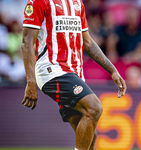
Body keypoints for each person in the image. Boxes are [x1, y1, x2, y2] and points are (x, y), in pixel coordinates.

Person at [21, 0, 127, 150]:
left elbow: (88, 42)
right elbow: (27, 41)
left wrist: (112, 70)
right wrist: (30, 81)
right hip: (52, 69)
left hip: (74, 73)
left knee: (90, 137)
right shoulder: (39, 1)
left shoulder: (77, 3)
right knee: (94, 108)